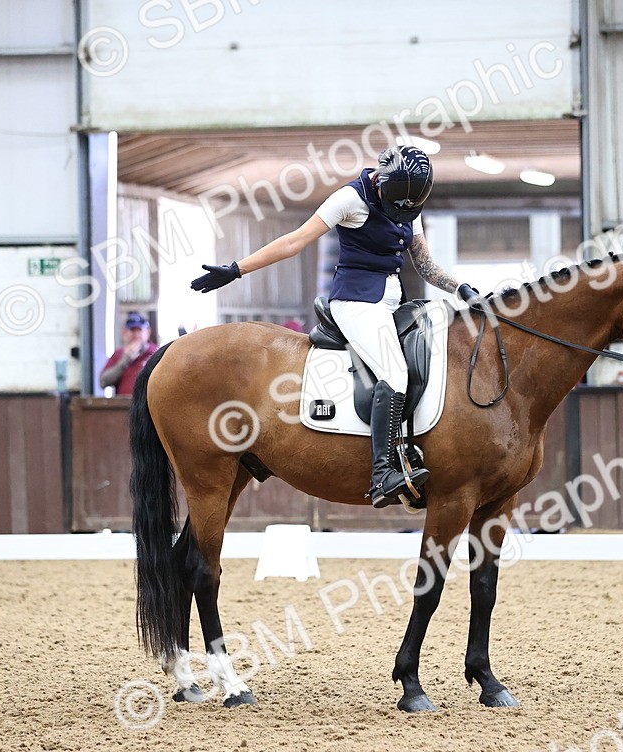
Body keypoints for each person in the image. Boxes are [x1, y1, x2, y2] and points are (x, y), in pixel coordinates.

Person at [191, 145, 480, 508]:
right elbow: (294, 241)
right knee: (395, 372)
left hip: (395, 301)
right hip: (356, 303)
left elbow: (423, 263)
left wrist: (460, 288)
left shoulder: (408, 201)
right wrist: (237, 269)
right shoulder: (349, 199)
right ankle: (382, 473)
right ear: (381, 181)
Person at [100, 311, 159, 396]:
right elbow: (103, 382)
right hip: (123, 406)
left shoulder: (157, 353)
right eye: (132, 330)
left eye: (139, 330)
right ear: (124, 333)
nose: (136, 335)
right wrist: (125, 360)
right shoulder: (118, 354)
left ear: (148, 332)